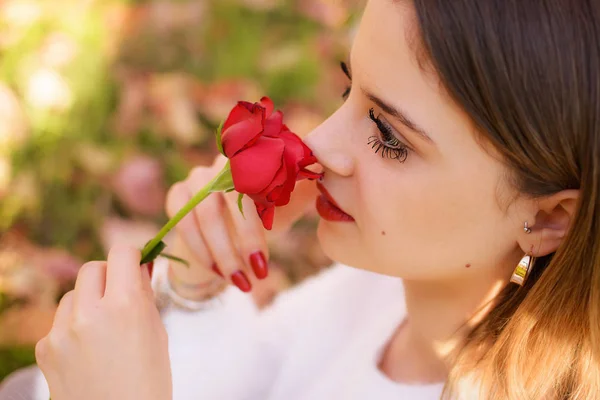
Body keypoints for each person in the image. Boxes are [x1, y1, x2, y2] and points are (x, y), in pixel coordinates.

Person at [1, 0, 599, 398]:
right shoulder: (382, 292)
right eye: (349, 87)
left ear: (548, 218)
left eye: (389, 137)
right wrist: (198, 289)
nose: (317, 144)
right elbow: (261, 381)